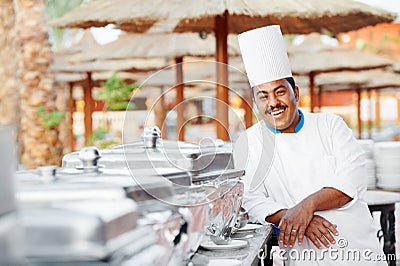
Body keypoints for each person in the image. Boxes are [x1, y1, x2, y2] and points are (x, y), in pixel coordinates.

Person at [234, 25, 385, 265]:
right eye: (263, 96)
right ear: (256, 102)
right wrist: (295, 216)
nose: (273, 102)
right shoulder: (250, 142)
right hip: (304, 255)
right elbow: (252, 199)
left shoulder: (330, 125)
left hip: (356, 251)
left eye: (280, 92)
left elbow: (353, 177)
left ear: (295, 93)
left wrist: (307, 205)